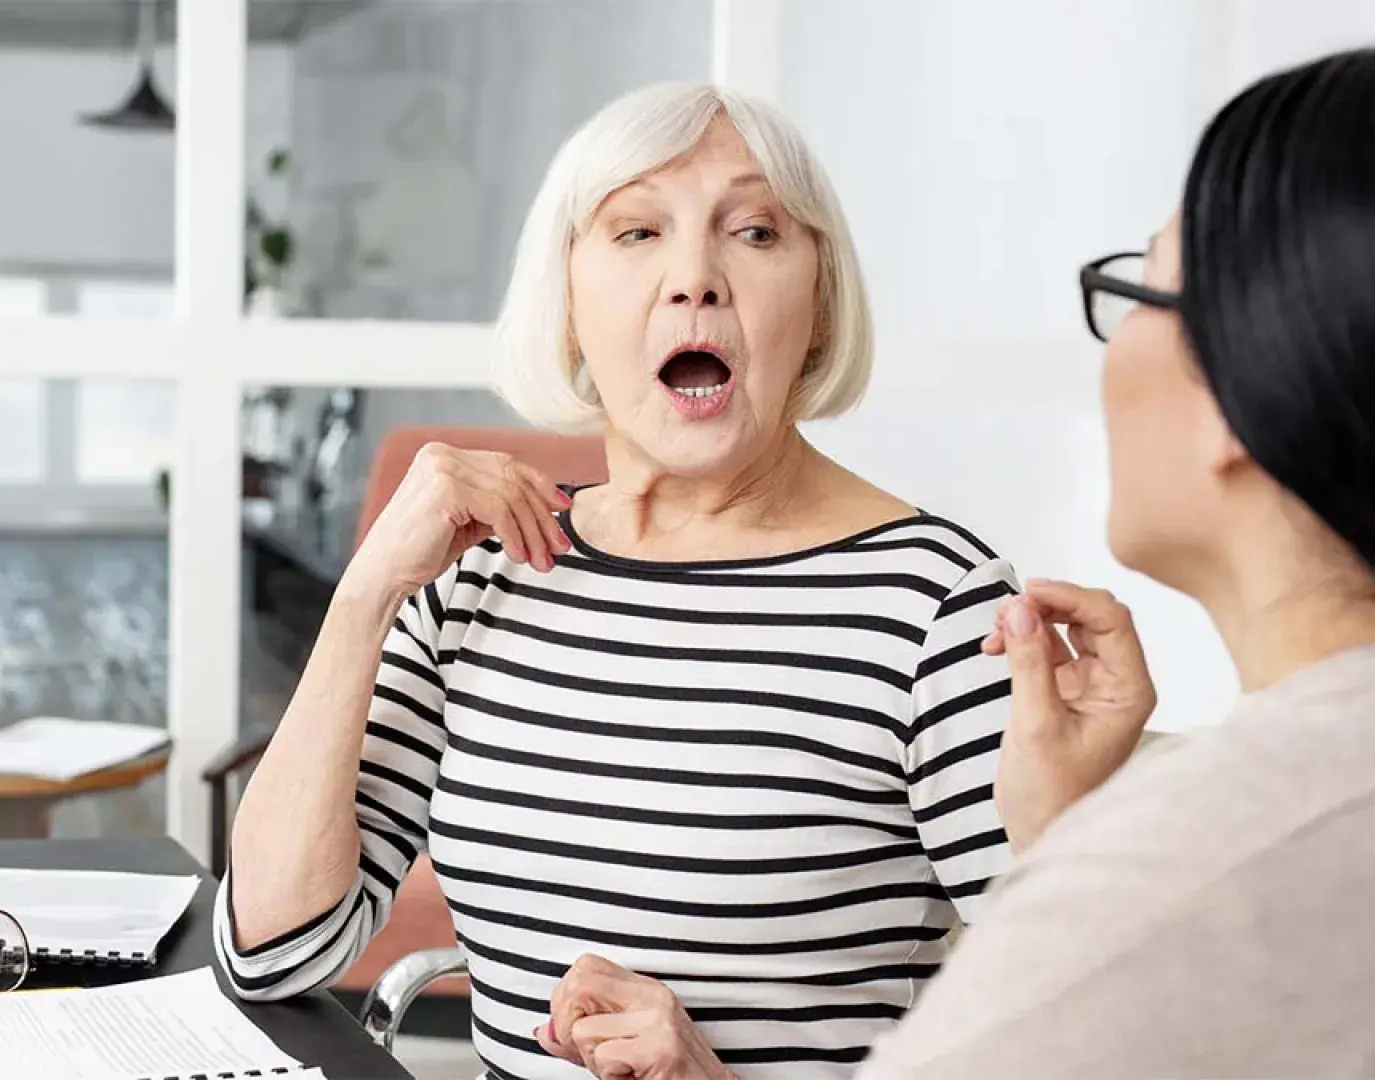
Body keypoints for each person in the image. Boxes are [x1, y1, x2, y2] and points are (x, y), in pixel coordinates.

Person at [541, 46, 1375, 1079]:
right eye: (636, 232)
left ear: (1241, 389)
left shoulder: (1219, 845)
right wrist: (1064, 839)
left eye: (1142, 290)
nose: (693, 282)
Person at [213, 81, 1021, 1078]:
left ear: (816, 307)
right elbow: (273, 946)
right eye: (637, 233)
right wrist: (367, 592)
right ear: (566, 309)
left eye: (756, 233)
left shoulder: (937, 607)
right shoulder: (476, 582)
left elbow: (1104, 1022)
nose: (696, 278)